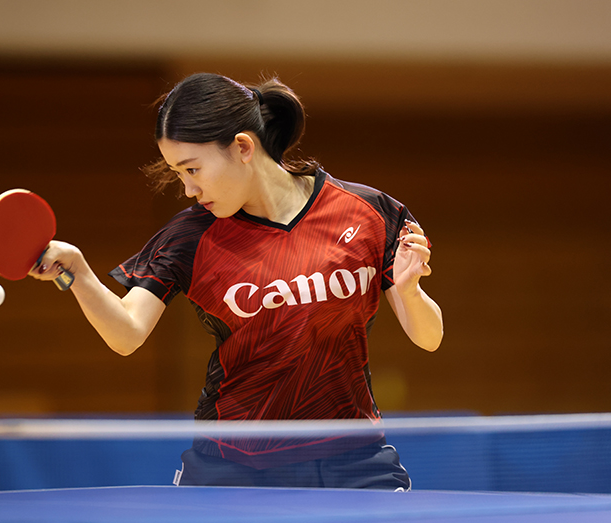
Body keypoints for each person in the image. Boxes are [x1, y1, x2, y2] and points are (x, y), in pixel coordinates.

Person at [31, 73, 443, 490]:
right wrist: (79, 273)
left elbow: (429, 337)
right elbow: (127, 333)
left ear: (243, 147)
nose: (188, 189)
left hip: (353, 458)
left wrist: (410, 292)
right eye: (178, 173)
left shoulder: (368, 212)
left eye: (192, 169)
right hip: (236, 466)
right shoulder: (193, 235)